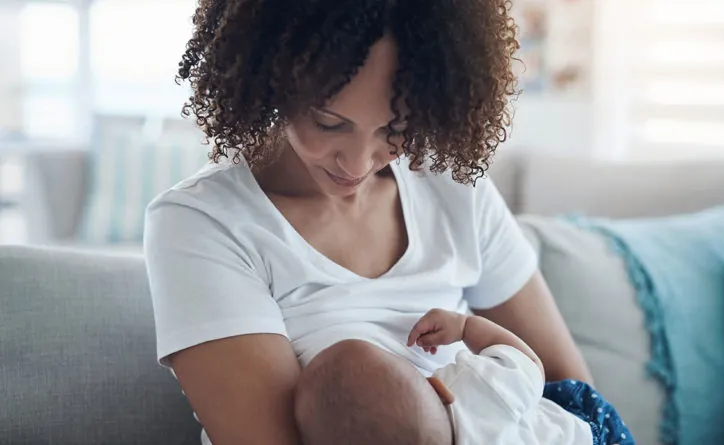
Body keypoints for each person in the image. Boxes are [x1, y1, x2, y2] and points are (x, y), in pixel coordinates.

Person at [144, 1, 593, 444]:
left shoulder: (453, 188)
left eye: (394, 129)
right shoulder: (202, 223)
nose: (357, 162)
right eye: (328, 122)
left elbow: (575, 397)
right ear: (270, 80)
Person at [293, 310, 634, 445]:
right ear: (439, 388)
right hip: (592, 435)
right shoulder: (474, 386)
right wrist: (466, 327)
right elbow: (529, 364)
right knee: (553, 395)